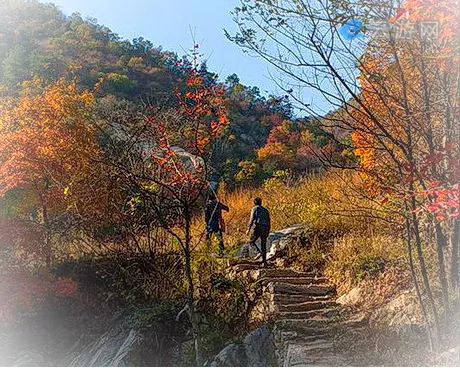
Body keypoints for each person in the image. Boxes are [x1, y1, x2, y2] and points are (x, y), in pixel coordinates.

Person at [246, 197, 271, 267]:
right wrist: (268, 230)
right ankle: (264, 262)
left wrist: (248, 229)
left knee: (251, 241)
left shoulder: (255, 209)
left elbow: (251, 219)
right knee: (263, 246)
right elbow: (269, 221)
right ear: (261, 202)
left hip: (258, 227)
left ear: (254, 203)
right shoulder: (266, 210)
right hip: (265, 228)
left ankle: (257, 253)